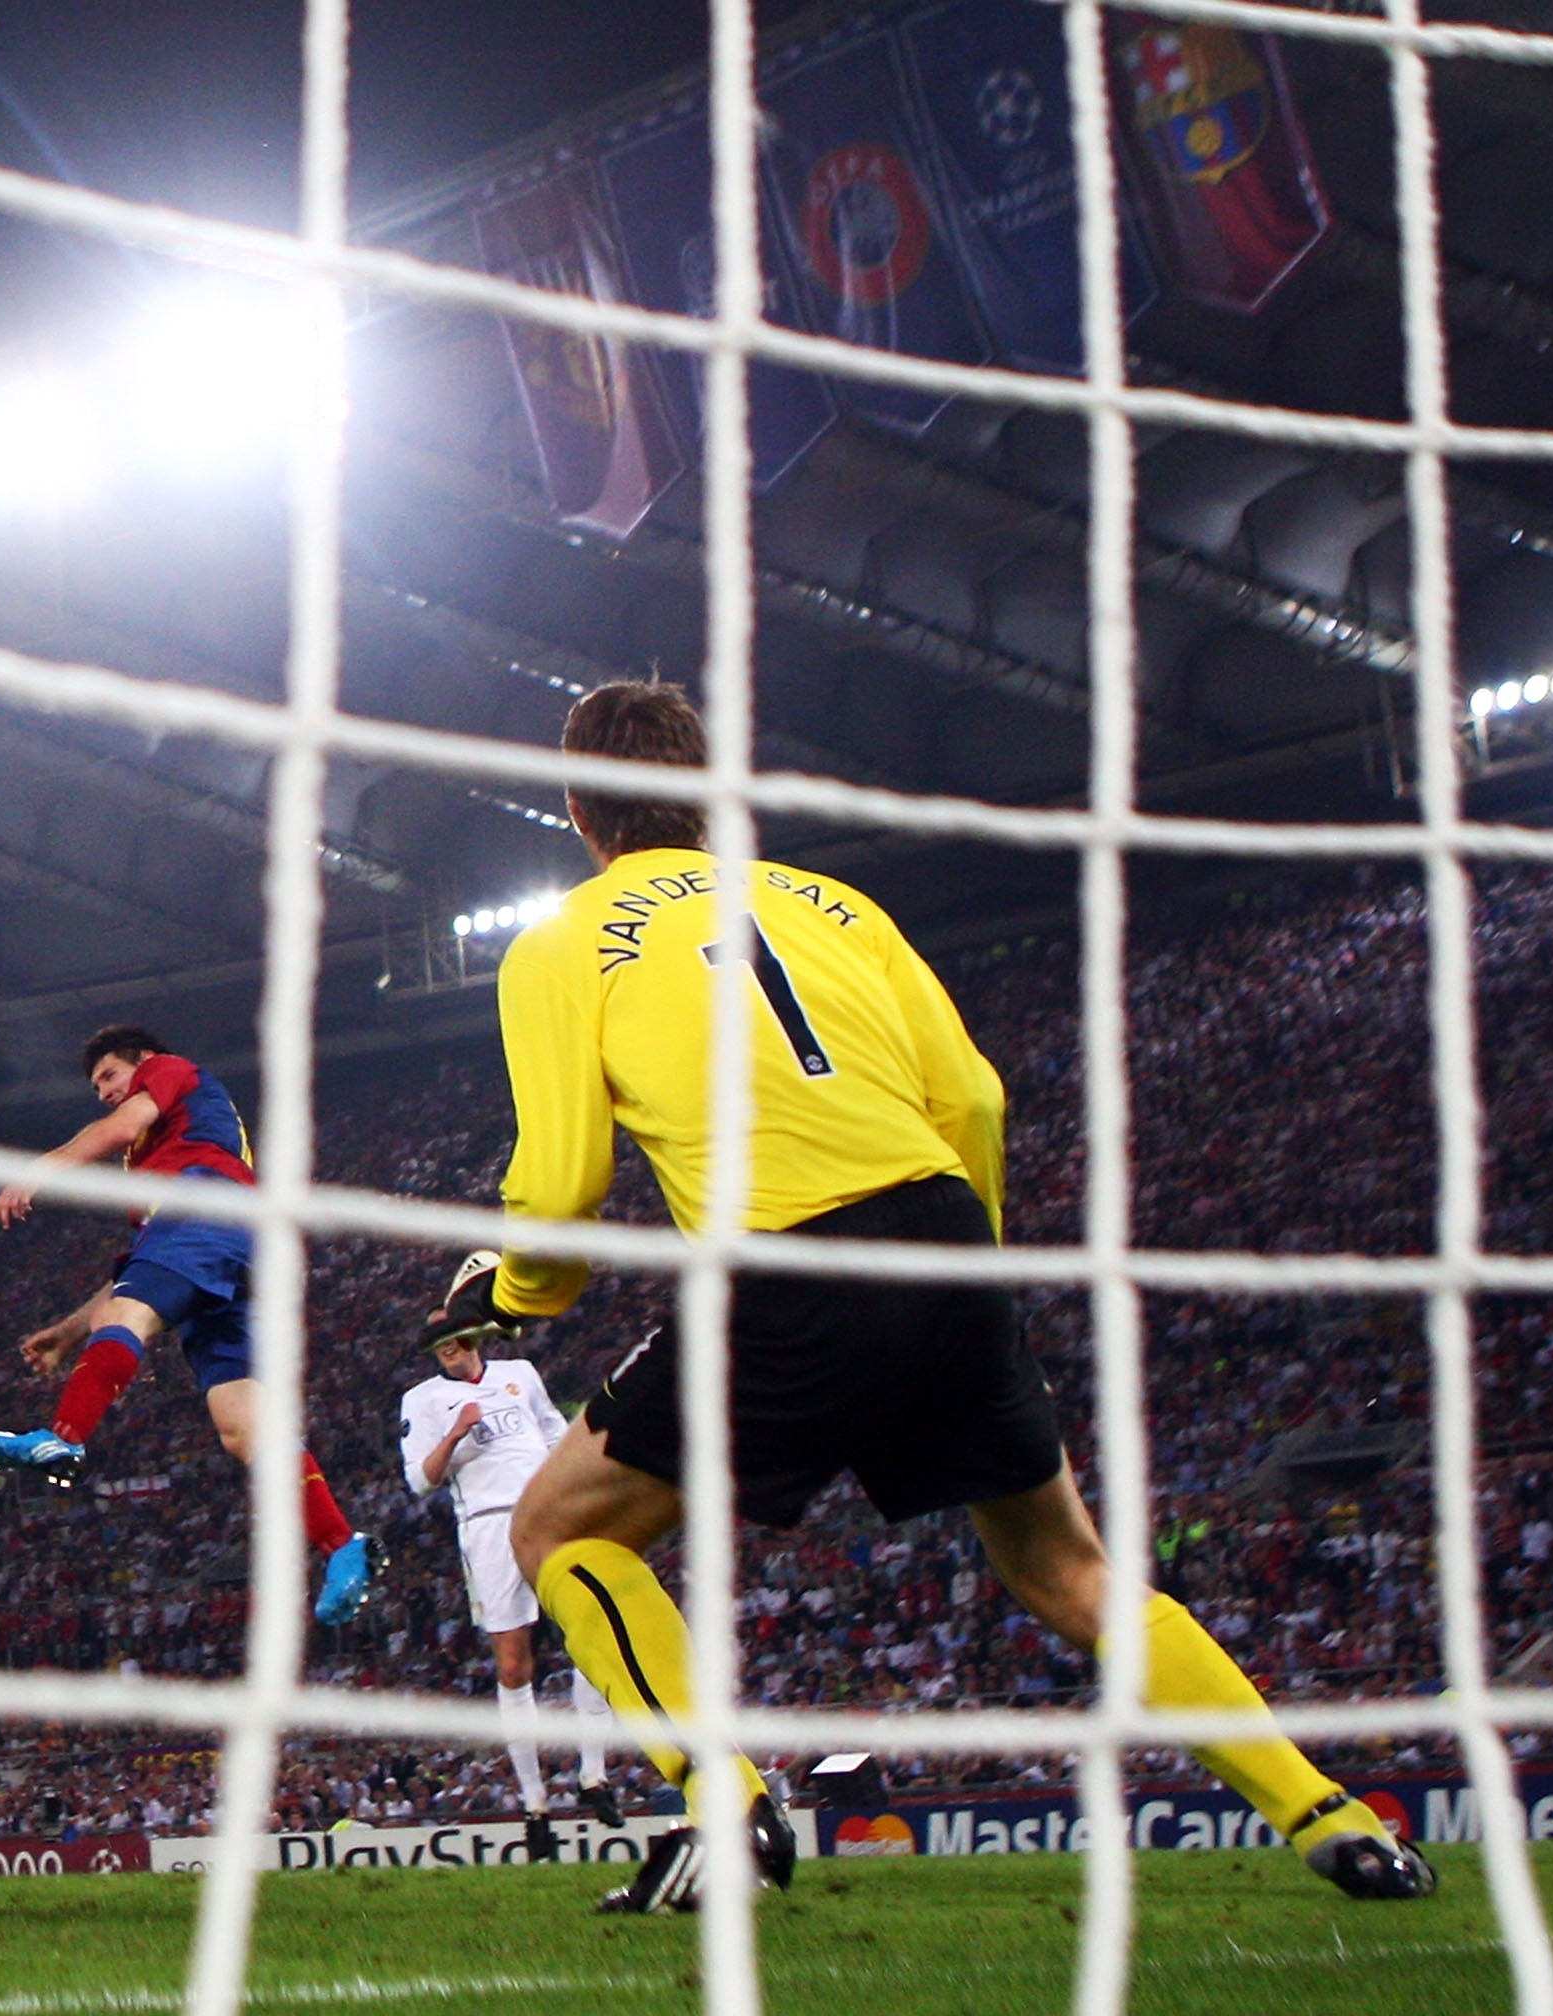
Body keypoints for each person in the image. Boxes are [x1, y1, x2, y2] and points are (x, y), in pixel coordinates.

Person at [426, 681, 1436, 1915]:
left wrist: (516, 1294)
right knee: (1071, 1572)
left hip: (790, 1264)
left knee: (560, 1536)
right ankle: (1328, 1817)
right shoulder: (836, 906)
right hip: (947, 1238)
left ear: (577, 811)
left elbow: (565, 1180)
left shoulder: (561, 943)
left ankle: (726, 1805)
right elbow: (976, 1104)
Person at [0, 1024, 375, 1625]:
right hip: (241, 1244)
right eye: (97, 1084)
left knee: (130, 1315)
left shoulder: (172, 1072)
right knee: (243, 1429)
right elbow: (147, 1270)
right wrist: (71, 1330)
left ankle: (65, 1435)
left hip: (210, 1213)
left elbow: (119, 1129)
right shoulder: (161, 1161)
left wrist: (37, 1172)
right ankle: (343, 1545)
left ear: (144, 1062)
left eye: (108, 1075)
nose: (103, 1092)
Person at [396, 1335, 618, 1858]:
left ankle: (594, 1775)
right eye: (439, 1342)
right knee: (515, 1664)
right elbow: (418, 1481)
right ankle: (535, 1805)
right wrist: (455, 1434)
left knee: (591, 1634)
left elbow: (555, 1433)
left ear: (476, 1337)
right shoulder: (422, 1398)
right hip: (489, 1528)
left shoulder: (521, 1373)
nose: (448, 1348)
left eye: (456, 1336)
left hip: (549, 1514)